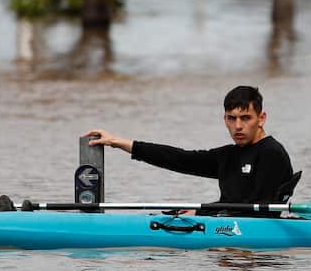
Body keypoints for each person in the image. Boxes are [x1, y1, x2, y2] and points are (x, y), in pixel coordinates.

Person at [85, 85, 295, 212]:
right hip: (226, 230)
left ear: (261, 118)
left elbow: (257, 212)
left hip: (259, 252)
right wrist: (118, 142)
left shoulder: (271, 153)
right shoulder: (229, 155)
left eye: (245, 118)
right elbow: (179, 159)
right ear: (225, 119)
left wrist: (201, 214)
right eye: (232, 118)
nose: (238, 126)